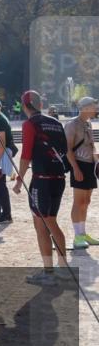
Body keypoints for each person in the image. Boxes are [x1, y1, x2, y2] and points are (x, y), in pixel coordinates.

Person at [13, 90, 71, 286]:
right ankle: (62, 269)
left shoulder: (30, 124)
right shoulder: (55, 122)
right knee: (51, 221)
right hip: (58, 178)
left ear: (24, 106)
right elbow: (65, 150)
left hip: (41, 180)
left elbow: (26, 154)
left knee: (42, 225)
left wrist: (19, 180)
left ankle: (49, 272)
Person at [65, 96, 98, 249]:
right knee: (78, 202)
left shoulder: (88, 124)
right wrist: (76, 169)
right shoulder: (72, 124)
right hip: (79, 165)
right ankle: (77, 236)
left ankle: (83, 233)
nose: (96, 108)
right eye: (93, 106)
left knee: (86, 201)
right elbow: (68, 149)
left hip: (90, 165)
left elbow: (91, 146)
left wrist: (96, 159)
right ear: (84, 108)